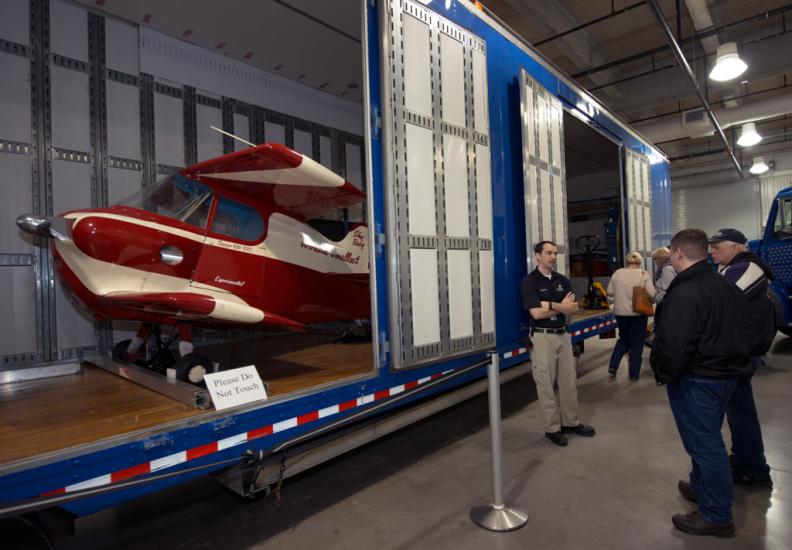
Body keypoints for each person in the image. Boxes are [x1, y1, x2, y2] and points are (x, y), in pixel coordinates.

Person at [650, 228, 754, 538]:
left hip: (697, 380)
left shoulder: (686, 291)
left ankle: (716, 515)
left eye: (671, 251)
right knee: (706, 441)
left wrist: (665, 372)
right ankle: (701, 488)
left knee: (705, 446)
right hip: (725, 376)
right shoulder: (723, 284)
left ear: (679, 253)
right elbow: (746, 327)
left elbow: (675, 343)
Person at [709, 228, 774, 489]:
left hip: (742, 353)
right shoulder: (731, 268)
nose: (712, 251)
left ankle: (755, 470)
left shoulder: (747, 268)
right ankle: (747, 462)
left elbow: (718, 302)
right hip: (738, 351)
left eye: (718, 246)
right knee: (738, 412)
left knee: (741, 413)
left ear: (737, 247)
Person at [521, 241, 596, 447]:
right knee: (545, 384)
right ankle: (552, 429)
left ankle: (571, 423)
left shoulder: (562, 280)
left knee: (569, 381)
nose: (553, 257)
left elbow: (573, 308)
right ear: (537, 255)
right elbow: (536, 312)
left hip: (563, 335)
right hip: (542, 337)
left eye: (554, 253)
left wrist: (550, 305)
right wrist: (560, 306)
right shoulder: (530, 281)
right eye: (548, 253)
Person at [606, 252, 656, 380]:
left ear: (627, 262)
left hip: (620, 313)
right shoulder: (643, 274)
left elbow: (610, 292)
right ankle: (634, 374)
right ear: (639, 262)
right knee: (637, 343)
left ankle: (613, 366)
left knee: (623, 339)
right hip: (638, 313)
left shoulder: (617, 273)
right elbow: (652, 293)